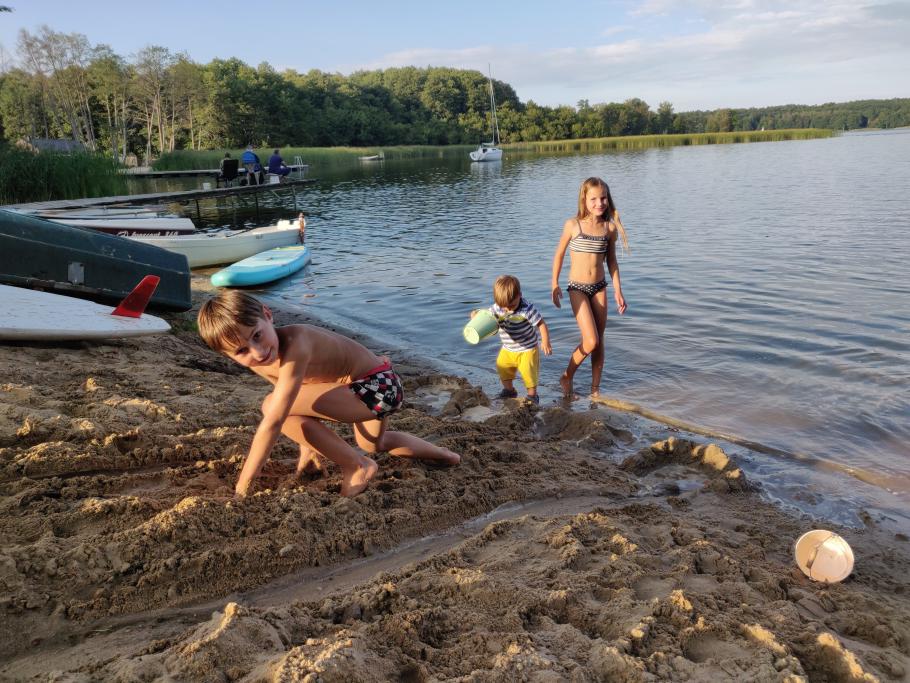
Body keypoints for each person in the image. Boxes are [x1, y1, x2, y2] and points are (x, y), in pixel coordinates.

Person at [197, 291, 461, 498]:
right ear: (228, 355)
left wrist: (243, 485)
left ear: (268, 315)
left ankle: (357, 466)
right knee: (374, 444)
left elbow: (275, 420)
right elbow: (300, 398)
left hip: (377, 386)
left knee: (271, 406)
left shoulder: (297, 344)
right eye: (241, 351)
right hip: (376, 388)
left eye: (257, 335)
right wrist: (309, 452)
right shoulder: (265, 359)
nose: (257, 352)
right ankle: (445, 456)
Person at [551, 177, 630, 399]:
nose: (599, 203)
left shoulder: (609, 228)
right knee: (591, 340)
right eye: (594, 198)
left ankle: (595, 390)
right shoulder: (573, 225)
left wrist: (618, 291)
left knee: (600, 341)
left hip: (600, 287)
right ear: (584, 199)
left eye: (603, 198)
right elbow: (559, 254)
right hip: (577, 288)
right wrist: (554, 283)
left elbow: (612, 262)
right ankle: (567, 375)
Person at [471, 275, 551, 404]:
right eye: (504, 306)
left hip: (527, 348)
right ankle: (509, 390)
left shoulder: (527, 309)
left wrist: (545, 341)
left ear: (519, 295)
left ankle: (532, 396)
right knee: (502, 367)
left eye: (512, 305)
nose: (507, 309)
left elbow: (541, 323)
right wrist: (476, 315)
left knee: (528, 373)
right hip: (508, 348)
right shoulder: (498, 307)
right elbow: (487, 317)